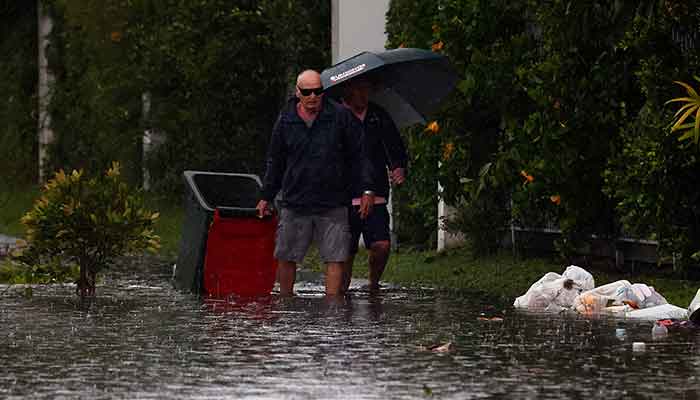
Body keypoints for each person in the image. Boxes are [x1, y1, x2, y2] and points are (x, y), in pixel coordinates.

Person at [256, 70, 375, 297]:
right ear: (297, 93)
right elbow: (276, 160)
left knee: (335, 256)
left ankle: (333, 310)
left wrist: (367, 189)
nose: (313, 96)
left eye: (318, 91)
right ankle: (286, 302)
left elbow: (360, 156)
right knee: (286, 255)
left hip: (333, 201)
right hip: (295, 200)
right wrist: (266, 195)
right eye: (307, 92)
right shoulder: (286, 119)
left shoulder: (340, 116)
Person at [341, 76, 408, 293]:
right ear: (348, 91)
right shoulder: (336, 117)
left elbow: (394, 145)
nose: (363, 95)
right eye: (358, 90)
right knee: (346, 250)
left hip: (377, 192)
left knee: (381, 245)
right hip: (344, 194)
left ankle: (373, 283)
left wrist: (398, 166)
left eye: (366, 90)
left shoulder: (378, 116)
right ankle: (341, 290)